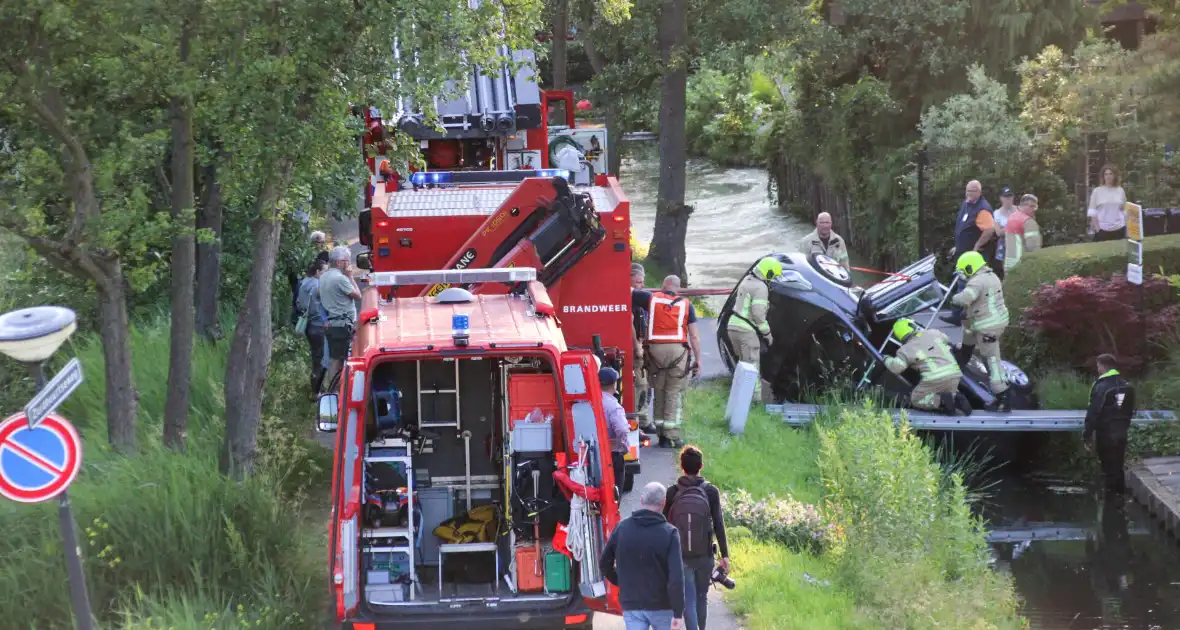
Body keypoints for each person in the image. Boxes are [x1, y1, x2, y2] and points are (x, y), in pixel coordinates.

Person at [599, 482, 686, 630]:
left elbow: (604, 564)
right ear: (663, 503)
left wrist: (621, 581)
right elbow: (676, 578)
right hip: (662, 605)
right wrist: (678, 612)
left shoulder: (622, 528)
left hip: (632, 603)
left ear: (641, 500)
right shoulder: (670, 533)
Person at [663, 446, 729, 630]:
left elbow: (663, 525)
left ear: (681, 466)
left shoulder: (672, 492)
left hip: (680, 556)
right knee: (702, 598)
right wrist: (725, 555)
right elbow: (718, 524)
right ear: (701, 466)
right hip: (704, 555)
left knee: (688, 600)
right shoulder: (711, 491)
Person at [639, 275, 702, 448]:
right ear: (679, 288)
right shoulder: (686, 305)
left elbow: (629, 293)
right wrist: (698, 360)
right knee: (673, 392)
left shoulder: (651, 299)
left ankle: (660, 435)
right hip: (677, 353)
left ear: (662, 285)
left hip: (654, 352)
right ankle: (672, 435)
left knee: (659, 390)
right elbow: (694, 336)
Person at [949, 251, 1011, 411]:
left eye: (963, 271)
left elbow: (964, 299)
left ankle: (1002, 397)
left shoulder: (976, 282)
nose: (962, 275)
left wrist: (953, 297)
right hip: (986, 321)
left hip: (987, 327)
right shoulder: (991, 276)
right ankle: (962, 358)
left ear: (970, 267)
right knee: (967, 345)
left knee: (991, 360)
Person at [884, 318, 972, 415]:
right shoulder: (933, 333)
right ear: (913, 326)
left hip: (934, 378)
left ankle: (942, 400)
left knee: (916, 398)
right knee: (948, 391)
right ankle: (956, 398)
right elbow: (946, 339)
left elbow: (896, 368)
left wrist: (886, 358)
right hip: (955, 373)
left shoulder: (905, 350)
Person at [942, 180, 995, 326]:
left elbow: (989, 230)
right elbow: (963, 228)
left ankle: (965, 315)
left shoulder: (982, 209)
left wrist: (977, 246)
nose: (968, 194)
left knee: (968, 283)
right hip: (963, 252)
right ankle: (958, 314)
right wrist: (957, 246)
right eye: (967, 191)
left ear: (979, 192)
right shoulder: (966, 204)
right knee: (961, 281)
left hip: (975, 256)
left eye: (972, 191)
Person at [726, 257, 778, 402]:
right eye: (773, 275)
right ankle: (755, 402)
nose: (772, 279)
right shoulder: (761, 287)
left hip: (733, 326)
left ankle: (738, 397)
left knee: (742, 365)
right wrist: (767, 334)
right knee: (752, 368)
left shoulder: (747, 280)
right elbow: (758, 314)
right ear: (768, 273)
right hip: (746, 331)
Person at [1083, 354, 1136, 495]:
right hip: (1121, 432)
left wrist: (1087, 434)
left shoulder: (1101, 386)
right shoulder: (1127, 386)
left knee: (1107, 468)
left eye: (1098, 366)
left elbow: (1094, 411)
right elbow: (1129, 411)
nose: (1097, 368)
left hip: (1105, 433)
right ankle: (1120, 501)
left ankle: (1110, 502)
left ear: (1102, 367)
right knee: (1118, 467)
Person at [319, 246, 363, 394]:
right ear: (339, 262)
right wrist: (350, 276)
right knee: (339, 360)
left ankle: (335, 389)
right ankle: (337, 391)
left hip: (332, 322)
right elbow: (358, 295)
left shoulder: (323, 276)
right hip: (342, 324)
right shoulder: (340, 279)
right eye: (347, 261)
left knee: (335, 357)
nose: (348, 264)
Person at [296, 259, 330, 400]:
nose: (326, 275)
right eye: (324, 272)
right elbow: (321, 306)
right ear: (317, 272)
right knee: (321, 359)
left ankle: (318, 388)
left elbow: (298, 302)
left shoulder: (304, 282)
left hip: (308, 324)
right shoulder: (317, 285)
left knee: (315, 356)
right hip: (318, 325)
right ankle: (316, 392)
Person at [599, 367, 631, 496]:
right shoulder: (613, 406)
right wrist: (622, 443)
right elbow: (622, 429)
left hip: (590, 454)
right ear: (614, 384)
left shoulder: (587, 402)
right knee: (614, 495)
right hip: (612, 455)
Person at [1003, 194, 1043, 274]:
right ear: (1028, 205)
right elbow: (1033, 247)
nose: (1034, 210)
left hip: (1009, 264)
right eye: (1033, 207)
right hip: (1022, 265)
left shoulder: (1011, 217)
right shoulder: (1028, 222)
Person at [1089, 164, 1127, 242]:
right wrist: (1098, 229)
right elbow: (1092, 212)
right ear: (1103, 176)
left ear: (1114, 176)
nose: (1108, 176)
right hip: (1102, 230)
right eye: (1106, 174)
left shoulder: (1120, 190)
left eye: (1110, 174)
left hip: (1119, 229)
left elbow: (1124, 210)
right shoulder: (1097, 191)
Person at [631, 263, 650, 416]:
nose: (642, 285)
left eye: (642, 282)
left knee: (645, 385)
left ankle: (643, 419)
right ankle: (639, 419)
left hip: (641, 347)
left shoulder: (639, 300)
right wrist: (638, 347)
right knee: (641, 385)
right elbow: (628, 323)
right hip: (634, 351)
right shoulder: (630, 299)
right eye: (638, 282)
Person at [991, 186, 1016, 281]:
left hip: (1018, 243)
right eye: (1005, 197)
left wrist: (1006, 228)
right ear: (1001, 198)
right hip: (1004, 244)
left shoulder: (1019, 210)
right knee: (1007, 270)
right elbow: (998, 232)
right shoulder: (997, 213)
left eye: (1010, 196)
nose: (1008, 199)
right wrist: (1013, 226)